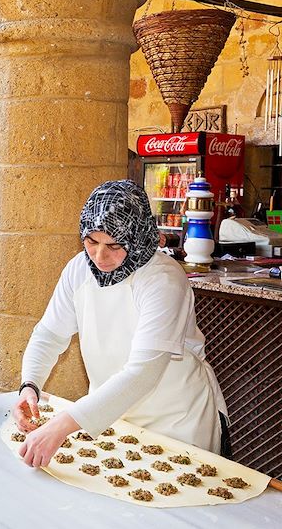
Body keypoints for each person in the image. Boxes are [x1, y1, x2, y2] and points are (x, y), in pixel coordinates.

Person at [14, 180, 229, 469]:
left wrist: (61, 426)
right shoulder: (78, 270)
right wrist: (30, 387)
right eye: (91, 241)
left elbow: (143, 372)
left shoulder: (163, 280)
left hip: (176, 421)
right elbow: (49, 335)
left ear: (138, 239)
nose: (100, 257)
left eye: (114, 245)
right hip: (112, 415)